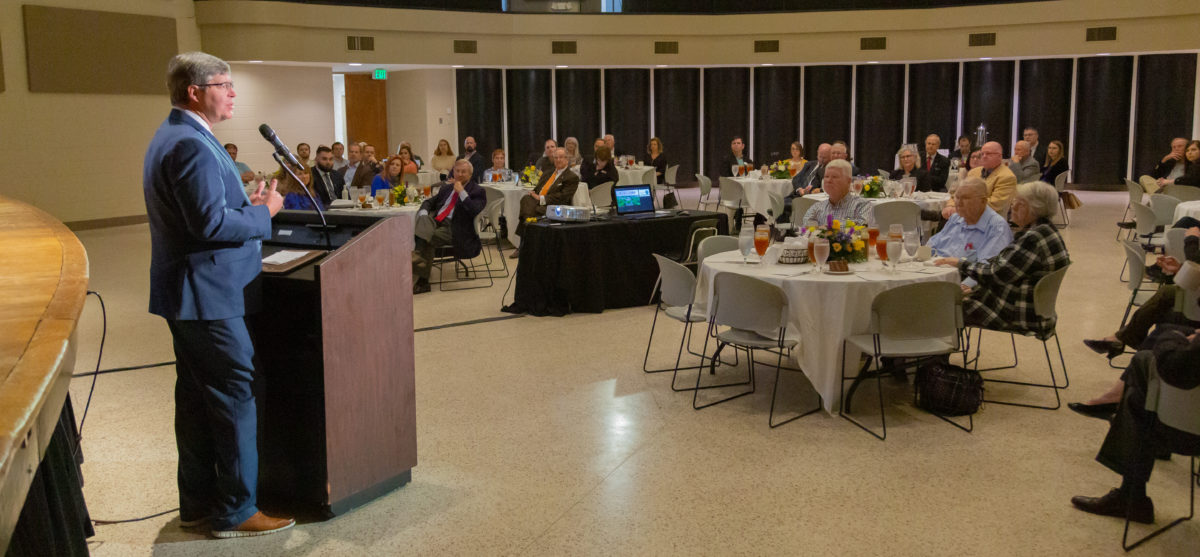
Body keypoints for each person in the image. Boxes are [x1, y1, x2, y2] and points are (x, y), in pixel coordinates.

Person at [143, 51, 293, 538]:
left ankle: (198, 504)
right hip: (208, 295)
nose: (233, 93)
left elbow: (203, 212)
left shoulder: (175, 136)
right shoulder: (189, 143)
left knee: (195, 399)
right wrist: (264, 211)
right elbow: (207, 223)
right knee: (234, 394)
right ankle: (236, 509)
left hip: (190, 293)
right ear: (194, 91)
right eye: (225, 84)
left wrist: (241, 205)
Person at [1070, 325, 1200, 525]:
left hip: (1188, 433)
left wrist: (1173, 337)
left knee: (1144, 362)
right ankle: (1115, 397)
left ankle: (1131, 495)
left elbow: (1177, 368)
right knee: (1166, 326)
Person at [935, 182, 1070, 332]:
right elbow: (1004, 266)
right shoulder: (1047, 231)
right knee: (951, 297)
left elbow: (995, 274)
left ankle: (934, 353)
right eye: (1014, 203)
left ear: (1035, 209)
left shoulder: (1033, 238)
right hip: (1033, 307)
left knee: (942, 305)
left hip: (1016, 312)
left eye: (1019, 204)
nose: (1013, 208)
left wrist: (961, 263)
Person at [411, 159, 487, 294]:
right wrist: (423, 212)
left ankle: (423, 280)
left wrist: (462, 193)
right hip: (437, 221)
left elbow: (474, 210)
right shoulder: (446, 188)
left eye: (464, 172)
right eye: (457, 171)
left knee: (428, 237)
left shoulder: (478, 191)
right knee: (423, 220)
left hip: (455, 228)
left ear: (470, 174)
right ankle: (417, 255)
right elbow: (429, 202)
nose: (460, 174)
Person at [926, 177, 1013, 288]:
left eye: (965, 198)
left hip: (957, 284)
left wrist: (965, 286)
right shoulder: (956, 218)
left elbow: (987, 268)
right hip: (932, 274)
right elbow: (932, 245)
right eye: (957, 197)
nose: (958, 203)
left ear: (983, 201)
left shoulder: (996, 227)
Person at [513, 148, 579, 256]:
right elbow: (537, 188)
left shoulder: (571, 177)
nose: (558, 160)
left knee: (529, 212)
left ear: (567, 159)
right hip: (537, 202)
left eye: (561, 157)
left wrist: (541, 199)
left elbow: (563, 197)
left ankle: (523, 244)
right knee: (526, 199)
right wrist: (533, 194)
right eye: (556, 157)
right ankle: (527, 240)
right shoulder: (548, 173)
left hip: (554, 206)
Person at [943, 141, 1016, 219]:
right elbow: (957, 194)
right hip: (965, 218)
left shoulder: (1007, 177)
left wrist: (961, 209)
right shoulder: (974, 172)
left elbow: (994, 205)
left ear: (999, 156)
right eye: (982, 154)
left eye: (988, 154)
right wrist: (950, 206)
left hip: (990, 222)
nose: (984, 156)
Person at [801, 159, 874, 227]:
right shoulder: (817, 207)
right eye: (826, 176)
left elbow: (862, 228)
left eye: (834, 177)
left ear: (848, 181)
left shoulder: (862, 205)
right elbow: (807, 228)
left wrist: (827, 228)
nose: (829, 180)